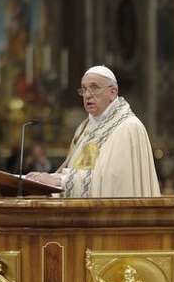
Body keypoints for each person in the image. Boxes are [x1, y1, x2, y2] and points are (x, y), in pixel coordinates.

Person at [27, 66, 160, 197]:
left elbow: (115, 182)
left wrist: (60, 181)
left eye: (94, 87)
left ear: (113, 92)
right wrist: (46, 179)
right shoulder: (85, 127)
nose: (87, 95)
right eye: (84, 89)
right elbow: (76, 169)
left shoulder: (128, 127)